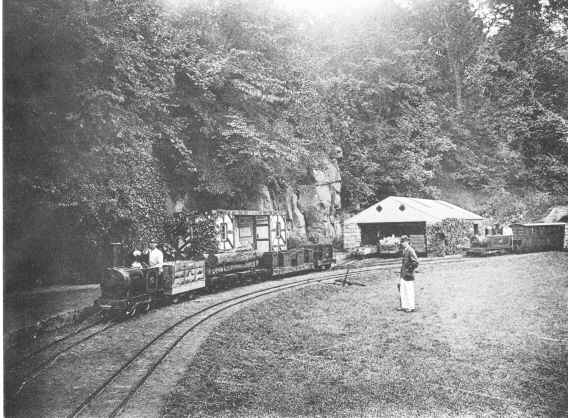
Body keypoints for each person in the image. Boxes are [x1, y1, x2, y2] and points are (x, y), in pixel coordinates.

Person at [399, 235, 419, 313]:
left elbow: (416, 262)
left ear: (407, 242)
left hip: (408, 275)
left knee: (409, 291)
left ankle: (411, 306)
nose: (402, 243)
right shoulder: (404, 250)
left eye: (403, 242)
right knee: (403, 290)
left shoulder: (410, 250)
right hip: (403, 274)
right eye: (402, 242)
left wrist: (409, 270)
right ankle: (404, 306)